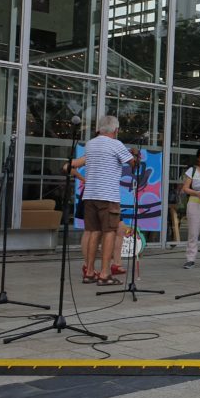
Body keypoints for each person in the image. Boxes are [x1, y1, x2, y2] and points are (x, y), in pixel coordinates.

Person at [70, 115, 135, 286]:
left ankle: (90, 272)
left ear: (99, 128)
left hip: (90, 195)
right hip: (108, 196)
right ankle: (105, 273)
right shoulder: (116, 144)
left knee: (93, 232)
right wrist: (135, 155)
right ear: (116, 130)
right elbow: (132, 164)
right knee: (109, 233)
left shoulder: (91, 144)